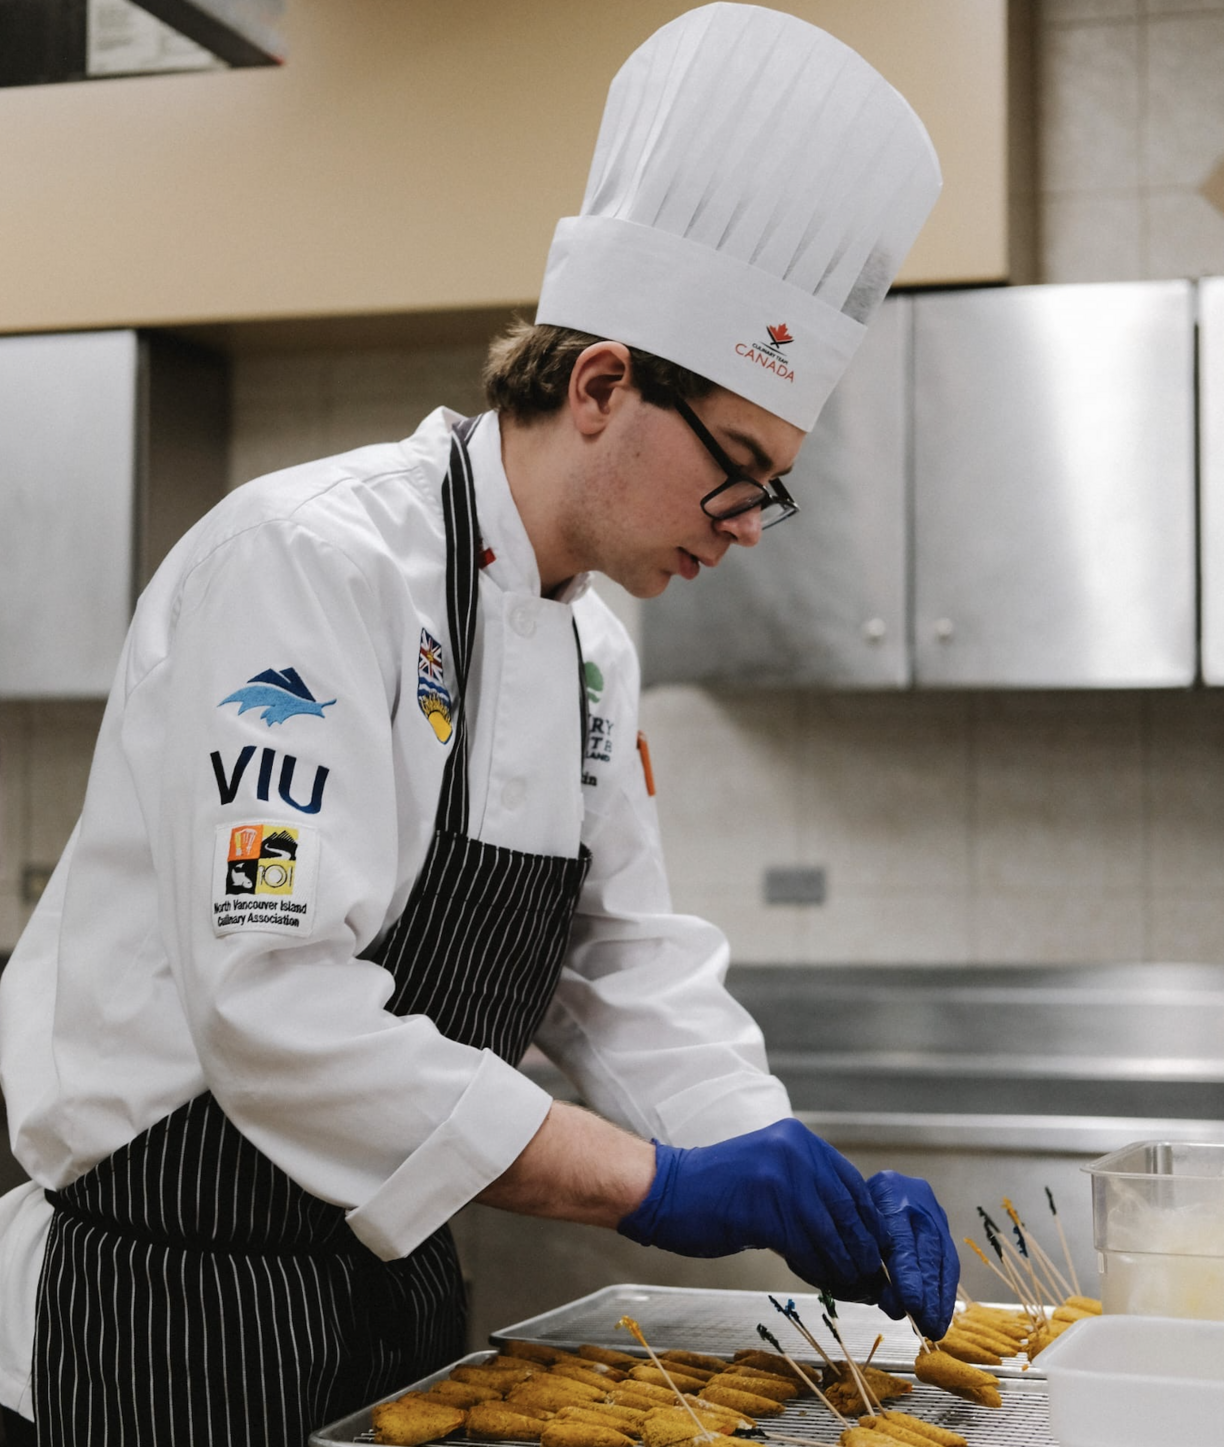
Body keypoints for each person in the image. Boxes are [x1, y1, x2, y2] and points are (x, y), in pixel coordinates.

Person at [0, 7, 955, 1445]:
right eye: (739, 470)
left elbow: (620, 966)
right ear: (601, 386)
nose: (752, 525)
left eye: (773, 487)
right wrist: (650, 1185)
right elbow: (272, 1002)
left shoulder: (591, 656)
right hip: (169, 1301)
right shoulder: (310, 566)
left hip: (389, 1290)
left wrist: (765, 1148)